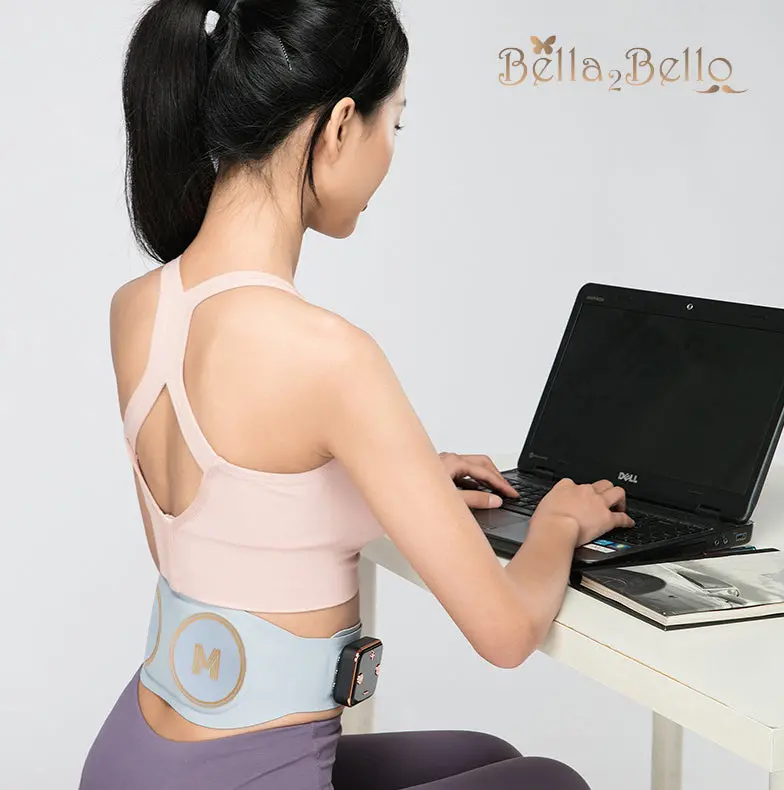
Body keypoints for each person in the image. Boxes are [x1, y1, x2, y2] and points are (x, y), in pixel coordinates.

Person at [78, 0, 635, 787]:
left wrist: (389, 482)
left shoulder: (136, 307)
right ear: (341, 125)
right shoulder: (328, 355)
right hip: (248, 775)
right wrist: (558, 523)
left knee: (490, 760)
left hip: (132, 759)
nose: (390, 153)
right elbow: (507, 633)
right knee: (551, 782)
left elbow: (213, 542)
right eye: (393, 123)